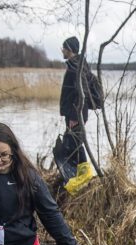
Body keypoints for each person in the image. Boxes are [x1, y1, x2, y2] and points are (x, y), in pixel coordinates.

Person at [59, 36, 95, 194]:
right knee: (73, 142)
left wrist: (75, 116)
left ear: (69, 49)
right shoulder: (77, 65)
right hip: (74, 112)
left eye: (64, 48)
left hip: (76, 113)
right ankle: (77, 174)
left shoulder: (76, 67)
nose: (62, 50)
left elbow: (82, 93)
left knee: (76, 142)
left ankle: (84, 175)